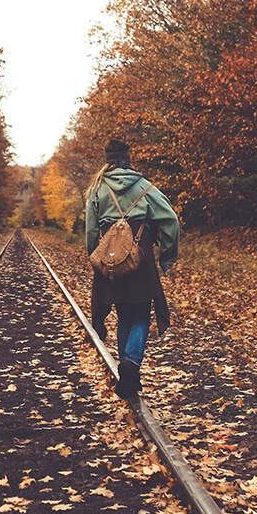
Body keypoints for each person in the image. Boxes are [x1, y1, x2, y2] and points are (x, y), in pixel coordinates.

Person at [85, 137, 179, 399]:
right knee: (139, 312)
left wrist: (97, 257)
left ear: (107, 161)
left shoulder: (97, 189)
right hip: (141, 258)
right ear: (129, 159)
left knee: (123, 311)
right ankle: (131, 363)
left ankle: (128, 364)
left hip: (109, 259)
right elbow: (171, 220)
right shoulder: (146, 188)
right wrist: (167, 257)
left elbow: (91, 230)